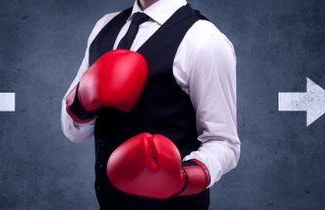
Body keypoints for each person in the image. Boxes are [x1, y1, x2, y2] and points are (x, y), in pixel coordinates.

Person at [61, 0, 240, 209]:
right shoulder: (104, 26)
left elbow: (224, 143)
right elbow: (73, 132)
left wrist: (184, 178)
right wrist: (82, 102)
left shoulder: (205, 40)